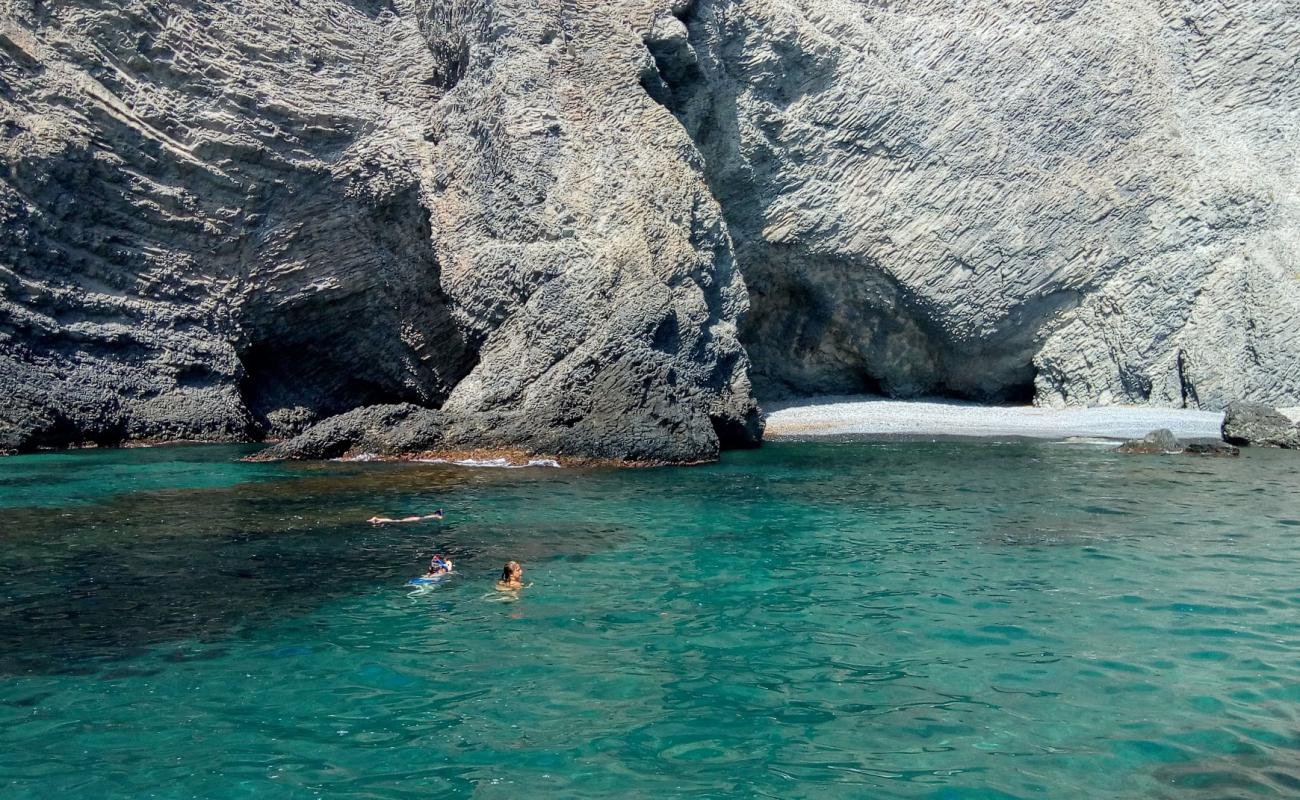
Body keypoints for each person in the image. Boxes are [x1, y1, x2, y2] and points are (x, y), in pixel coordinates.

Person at [368, 509, 444, 524]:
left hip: (415, 519)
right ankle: (377, 519)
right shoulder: (434, 516)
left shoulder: (431, 516)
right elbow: (426, 518)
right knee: (397, 521)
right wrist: (439, 516)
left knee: (396, 521)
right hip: (414, 519)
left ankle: (379, 520)